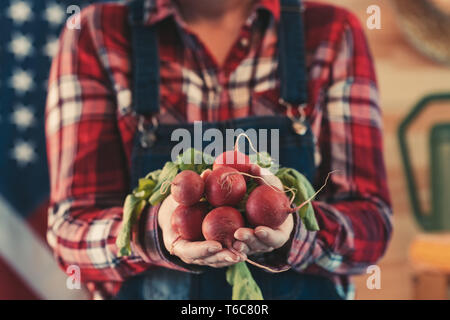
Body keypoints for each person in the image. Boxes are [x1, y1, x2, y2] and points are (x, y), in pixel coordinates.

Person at [45, 0, 392, 300]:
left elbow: (372, 226)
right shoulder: (94, 33)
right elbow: (70, 231)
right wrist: (156, 230)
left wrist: (294, 234)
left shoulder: (331, 32)